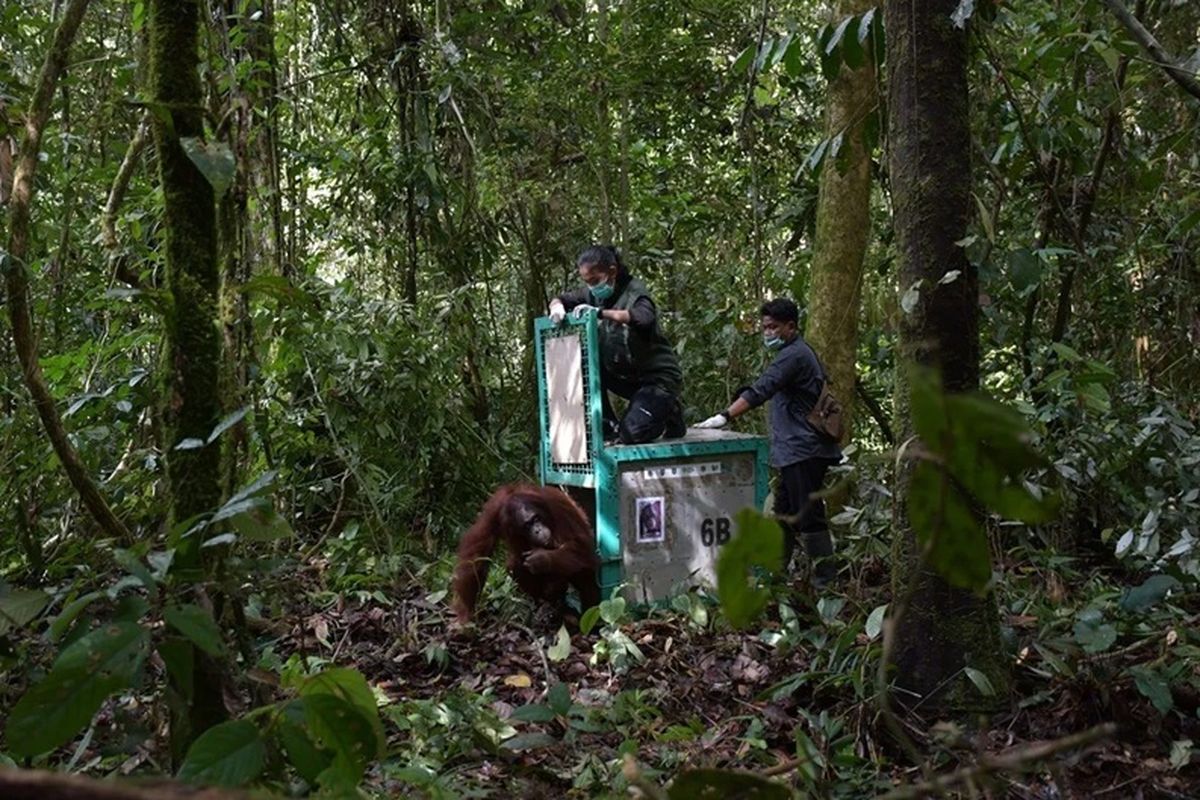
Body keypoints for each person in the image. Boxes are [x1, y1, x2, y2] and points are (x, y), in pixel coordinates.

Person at [694, 298, 841, 586]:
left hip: (804, 450)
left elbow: (763, 388)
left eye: (773, 327)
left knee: (809, 516)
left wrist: (724, 416)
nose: (767, 333)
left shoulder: (794, 355)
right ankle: (777, 577)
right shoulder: (793, 352)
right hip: (794, 451)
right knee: (784, 514)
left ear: (791, 326)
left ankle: (826, 585)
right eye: (764, 327)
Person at [549, 245, 685, 444]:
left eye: (595, 281)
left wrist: (600, 313)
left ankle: (669, 410)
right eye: (587, 283)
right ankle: (608, 424)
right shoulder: (593, 294)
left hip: (656, 380)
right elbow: (562, 298)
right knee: (586, 366)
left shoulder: (634, 292)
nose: (592, 287)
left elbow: (644, 318)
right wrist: (557, 307)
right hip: (623, 376)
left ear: (612, 271)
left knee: (632, 433)